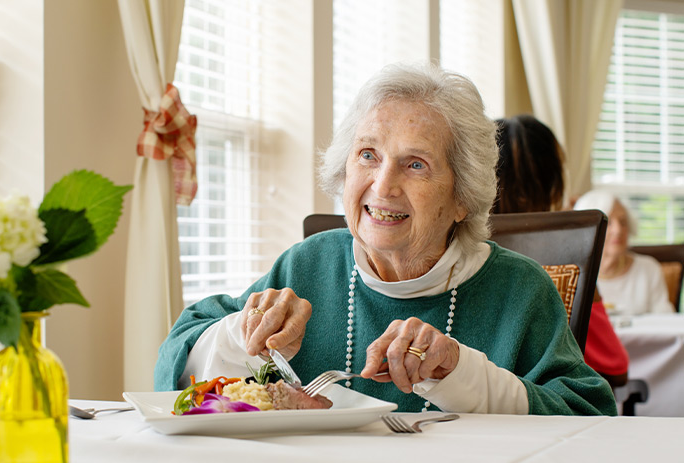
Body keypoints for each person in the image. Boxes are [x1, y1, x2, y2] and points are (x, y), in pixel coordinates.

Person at [156, 64, 617, 416]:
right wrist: (243, 334)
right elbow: (172, 368)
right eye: (368, 155)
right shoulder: (307, 265)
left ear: (463, 197)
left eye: (415, 163)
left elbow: (590, 414)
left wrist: (459, 371)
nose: (383, 185)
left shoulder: (520, 289)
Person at [494, 115, 629, 388]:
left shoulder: (451, 248)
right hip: (547, 411)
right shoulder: (568, 259)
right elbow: (615, 365)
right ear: (553, 182)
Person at [573, 190, 675, 316]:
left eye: (623, 222)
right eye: (608, 223)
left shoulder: (649, 268)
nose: (618, 230)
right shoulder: (573, 276)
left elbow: (665, 321)